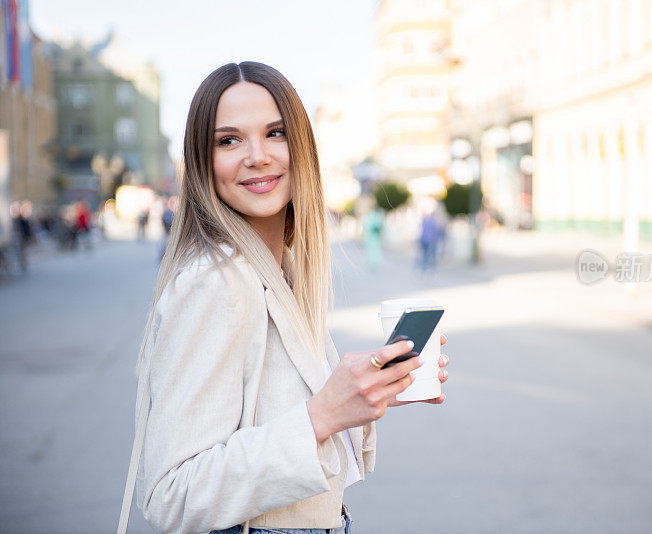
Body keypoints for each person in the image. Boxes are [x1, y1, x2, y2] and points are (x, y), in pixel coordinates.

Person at [118, 62, 451, 534]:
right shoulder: (215, 281)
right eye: (228, 140)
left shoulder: (277, 272)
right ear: (201, 162)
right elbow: (171, 495)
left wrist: (364, 394)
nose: (257, 156)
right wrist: (322, 413)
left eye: (275, 133)